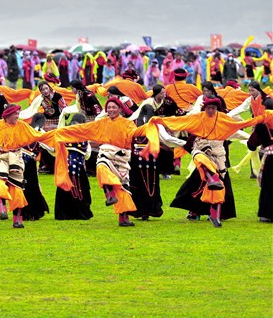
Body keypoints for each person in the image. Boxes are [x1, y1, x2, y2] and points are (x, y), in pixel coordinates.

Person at [53, 97, 161, 227]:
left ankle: (124, 218)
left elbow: (134, 132)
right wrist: (62, 132)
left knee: (123, 189)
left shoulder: (127, 123)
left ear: (120, 109)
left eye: (114, 107)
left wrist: (149, 127)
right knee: (101, 167)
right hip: (106, 153)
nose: (111, 110)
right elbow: (84, 129)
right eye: (109, 107)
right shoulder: (102, 123)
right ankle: (109, 193)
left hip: (122, 158)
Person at [156, 98, 260, 227]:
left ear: (217, 109)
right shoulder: (198, 118)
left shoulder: (222, 119)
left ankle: (216, 214)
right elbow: (181, 122)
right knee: (200, 179)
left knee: (220, 185)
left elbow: (236, 127)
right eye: (208, 108)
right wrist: (160, 121)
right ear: (204, 108)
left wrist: (256, 122)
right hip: (203, 152)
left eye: (213, 108)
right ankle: (195, 211)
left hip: (218, 155)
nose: (211, 110)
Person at [54, 113, 93, 220]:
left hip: (65, 168)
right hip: (79, 168)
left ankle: (63, 214)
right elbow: (87, 155)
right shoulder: (84, 138)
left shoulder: (63, 135)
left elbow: (54, 150)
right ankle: (80, 213)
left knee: (64, 191)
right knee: (80, 189)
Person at [246, 100, 273, 222]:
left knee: (268, 185)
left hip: (270, 157)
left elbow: (252, 144)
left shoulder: (262, 125)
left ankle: (267, 214)